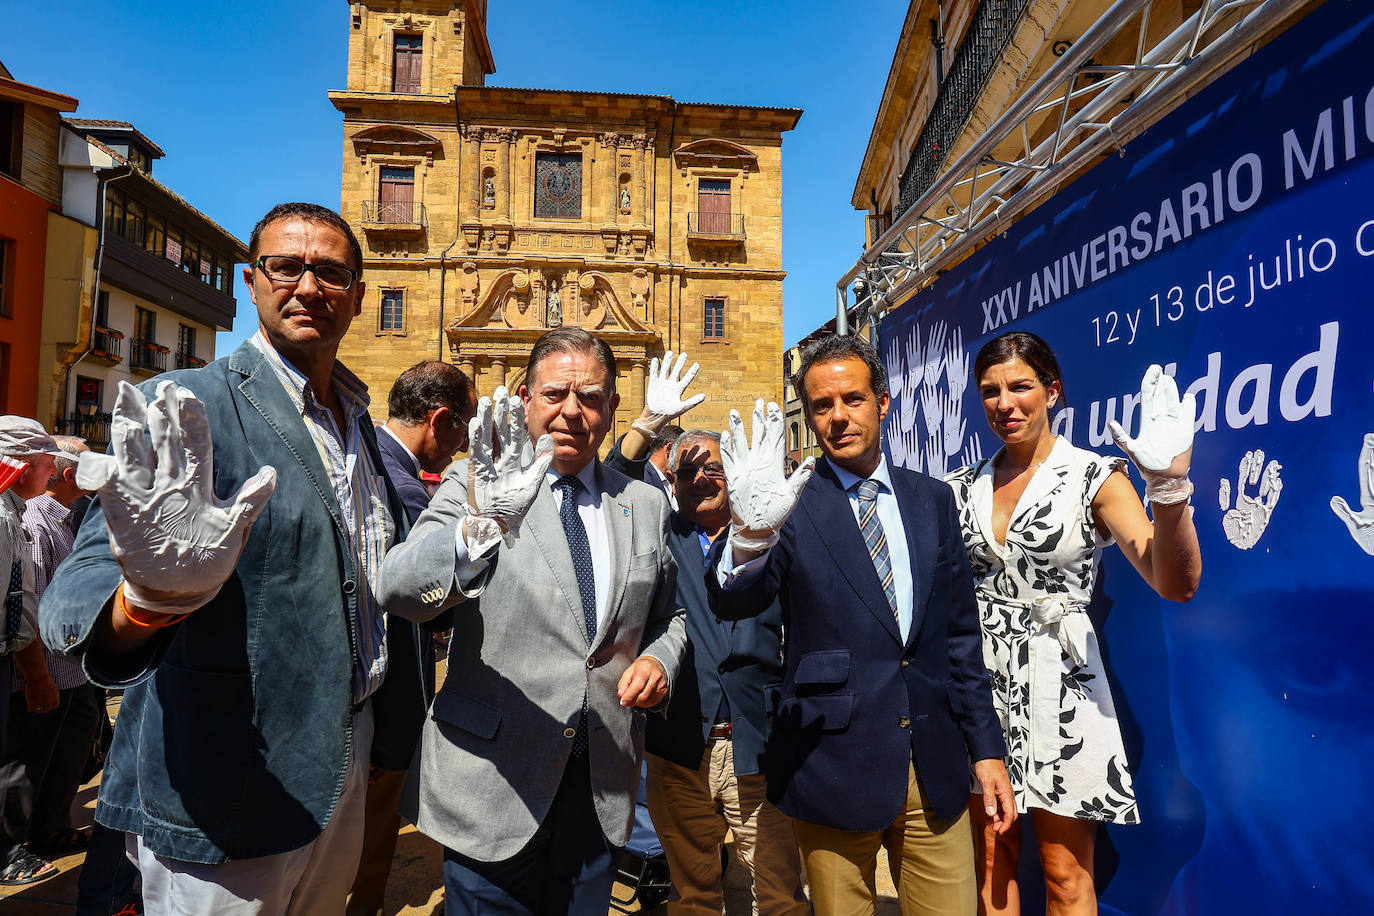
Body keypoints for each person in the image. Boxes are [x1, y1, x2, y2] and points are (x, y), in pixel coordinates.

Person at [39, 202, 426, 914]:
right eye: (287, 267)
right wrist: (145, 604)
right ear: (252, 281)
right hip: (224, 776)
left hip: (345, 755)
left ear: (360, 295)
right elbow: (72, 597)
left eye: (332, 272)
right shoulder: (182, 406)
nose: (309, 287)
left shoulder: (359, 423)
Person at [377, 326, 686, 915]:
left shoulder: (644, 504)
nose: (572, 411)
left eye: (590, 397)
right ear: (525, 399)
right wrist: (484, 528)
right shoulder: (473, 485)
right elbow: (400, 586)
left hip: (601, 783)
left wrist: (658, 659)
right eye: (555, 395)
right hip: (493, 782)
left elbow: (671, 616)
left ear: (614, 407)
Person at [706, 334, 1015, 916]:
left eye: (852, 399)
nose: (838, 417)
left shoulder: (933, 501)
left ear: (883, 401)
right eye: (822, 405)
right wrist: (748, 534)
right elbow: (735, 600)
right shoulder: (789, 505)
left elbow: (958, 638)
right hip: (831, 764)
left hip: (933, 763)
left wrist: (986, 749)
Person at [943, 331, 1200, 916]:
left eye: (1020, 387)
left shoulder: (1094, 477)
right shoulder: (961, 487)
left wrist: (1168, 488)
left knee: (1063, 872)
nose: (1005, 403)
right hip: (981, 686)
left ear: (1052, 391)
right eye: (990, 391)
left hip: (1062, 684)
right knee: (991, 856)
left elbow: (1175, 582)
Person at [606, 351, 808, 915]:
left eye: (713, 467)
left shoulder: (774, 535)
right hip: (680, 746)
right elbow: (611, 485)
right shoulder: (662, 532)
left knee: (779, 892)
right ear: (670, 483)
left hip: (757, 744)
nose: (701, 478)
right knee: (692, 893)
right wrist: (645, 427)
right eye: (686, 471)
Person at [348, 359, 477, 916]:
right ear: (439, 420)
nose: (465, 442)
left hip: (371, 708)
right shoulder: (399, 486)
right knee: (365, 858)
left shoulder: (368, 461)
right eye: (466, 425)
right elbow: (407, 605)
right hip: (383, 709)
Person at [1, 437, 104, 883]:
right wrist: (37, 675)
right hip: (47, 672)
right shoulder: (37, 521)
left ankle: (50, 829)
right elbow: (30, 603)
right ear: (67, 473)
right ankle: (10, 848)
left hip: (72, 670)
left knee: (66, 754)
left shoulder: (64, 518)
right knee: (25, 763)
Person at [0, 418, 63, 886]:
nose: (53, 471)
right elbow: (13, 601)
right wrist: (37, 672)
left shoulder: (12, 512)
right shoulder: (5, 518)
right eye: (47, 462)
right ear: (24, 466)